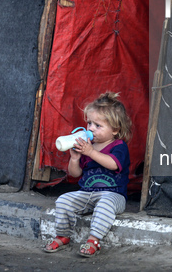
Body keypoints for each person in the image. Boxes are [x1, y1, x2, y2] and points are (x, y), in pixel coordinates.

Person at [43, 91, 132, 257]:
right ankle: (63, 236)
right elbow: (75, 174)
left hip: (114, 196)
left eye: (98, 126)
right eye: (89, 123)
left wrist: (90, 152)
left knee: (104, 205)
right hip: (87, 194)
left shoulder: (119, 146)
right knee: (63, 200)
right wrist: (75, 159)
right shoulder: (87, 147)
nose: (91, 128)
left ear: (115, 130)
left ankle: (93, 240)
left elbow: (113, 164)